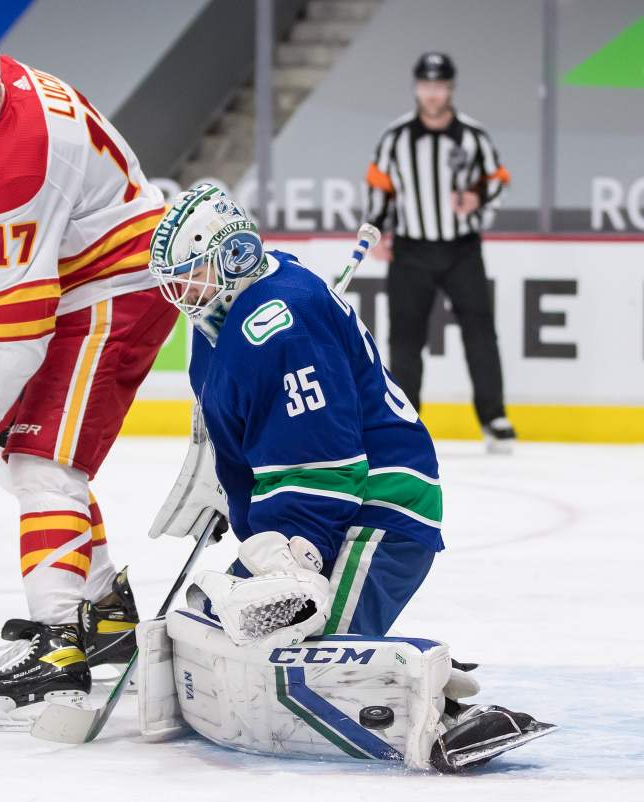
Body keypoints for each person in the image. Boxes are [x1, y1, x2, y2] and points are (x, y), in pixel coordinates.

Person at [139, 182, 555, 772]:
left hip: (379, 506)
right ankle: (386, 661)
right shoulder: (228, 316)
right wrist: (240, 507)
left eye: (192, 274)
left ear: (232, 256)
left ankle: (429, 699)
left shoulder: (281, 322)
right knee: (224, 623)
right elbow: (244, 426)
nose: (180, 292)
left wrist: (297, 549)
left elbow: (325, 459)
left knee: (293, 654)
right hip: (326, 502)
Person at [0, 21, 179, 729]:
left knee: (42, 465)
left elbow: (18, 323)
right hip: (92, 278)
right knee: (41, 459)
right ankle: (105, 614)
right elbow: (2, 264)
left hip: (115, 289)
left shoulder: (16, 162)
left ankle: (62, 644)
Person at [365, 52, 516, 454]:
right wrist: (377, 232)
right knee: (405, 338)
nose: (433, 94)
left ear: (450, 89)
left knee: (480, 331)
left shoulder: (473, 136)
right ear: (417, 88)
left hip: (462, 249)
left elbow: (499, 179)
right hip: (411, 250)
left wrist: (477, 197)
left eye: (440, 86)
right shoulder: (395, 138)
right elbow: (379, 187)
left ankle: (493, 417)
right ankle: (406, 421)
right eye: (427, 86)